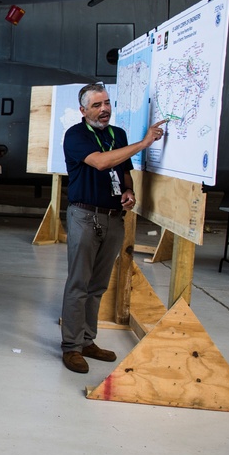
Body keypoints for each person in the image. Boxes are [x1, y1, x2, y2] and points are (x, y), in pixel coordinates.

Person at [60, 83, 167, 373]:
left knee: (97, 286)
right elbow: (100, 162)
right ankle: (71, 347)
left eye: (107, 103)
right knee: (78, 284)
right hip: (85, 217)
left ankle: (87, 340)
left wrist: (129, 191)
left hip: (113, 217)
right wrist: (144, 143)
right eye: (97, 105)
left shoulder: (117, 135)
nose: (104, 109)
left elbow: (123, 170)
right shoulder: (76, 135)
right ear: (83, 110)